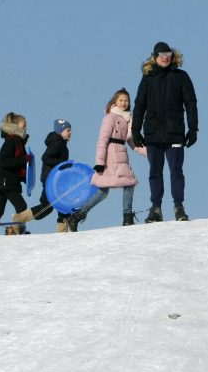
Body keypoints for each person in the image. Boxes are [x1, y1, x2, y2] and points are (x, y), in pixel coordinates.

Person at [132, 41, 198, 222]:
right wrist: (135, 130)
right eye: (162, 55)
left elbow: (191, 103)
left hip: (175, 132)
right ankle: (156, 209)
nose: (165, 58)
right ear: (155, 57)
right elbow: (139, 105)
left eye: (168, 55)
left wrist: (193, 129)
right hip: (152, 133)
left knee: (176, 170)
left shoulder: (181, 76)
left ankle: (179, 207)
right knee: (155, 171)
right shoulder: (148, 78)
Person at [67, 89, 147, 231]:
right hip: (110, 156)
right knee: (127, 184)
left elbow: (134, 143)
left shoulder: (128, 120)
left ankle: (77, 216)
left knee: (105, 190)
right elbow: (102, 140)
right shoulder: (110, 118)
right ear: (115, 101)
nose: (124, 103)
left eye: (126, 100)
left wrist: (150, 153)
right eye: (121, 100)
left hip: (121, 155)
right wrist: (100, 162)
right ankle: (127, 217)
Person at [12, 119, 73, 232]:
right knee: (46, 207)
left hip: (56, 180)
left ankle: (63, 230)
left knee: (63, 204)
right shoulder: (57, 144)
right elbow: (45, 158)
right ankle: (20, 218)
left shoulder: (62, 144)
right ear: (60, 131)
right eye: (68, 130)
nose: (70, 133)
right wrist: (63, 164)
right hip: (50, 180)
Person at [0, 112, 32, 235]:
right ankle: (19, 231)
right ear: (15, 126)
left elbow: (17, 163)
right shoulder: (11, 141)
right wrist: (24, 159)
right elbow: (3, 161)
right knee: (21, 206)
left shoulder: (17, 142)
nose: (26, 127)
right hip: (6, 181)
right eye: (23, 125)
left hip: (4, 181)